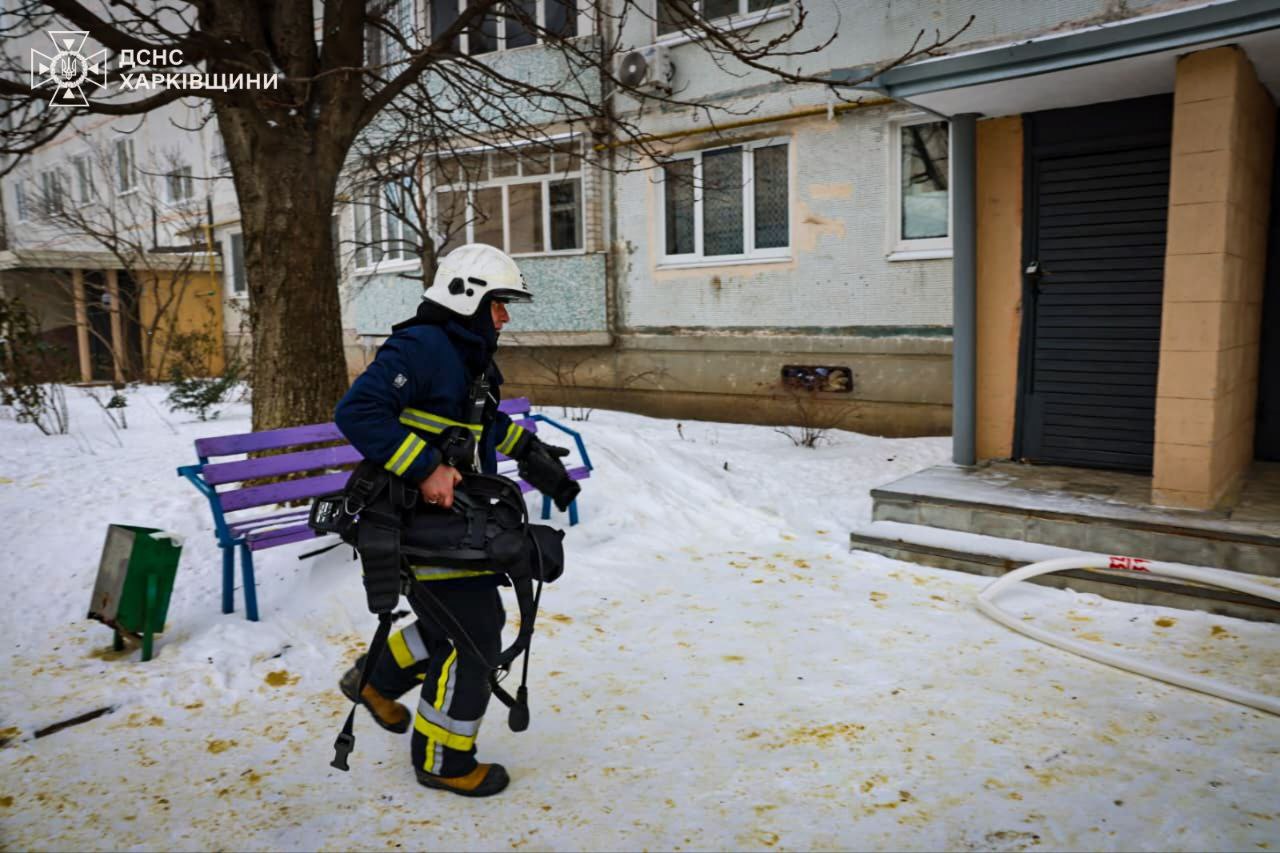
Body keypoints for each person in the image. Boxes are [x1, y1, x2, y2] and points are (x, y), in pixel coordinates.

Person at [332, 243, 574, 798]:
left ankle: (374, 681)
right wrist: (424, 469)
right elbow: (358, 412)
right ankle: (442, 759)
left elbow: (480, 427)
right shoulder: (421, 346)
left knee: (453, 623)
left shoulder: (469, 356)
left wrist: (541, 464)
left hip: (453, 520)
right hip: (415, 521)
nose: (505, 317)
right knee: (476, 639)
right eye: (499, 305)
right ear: (467, 297)